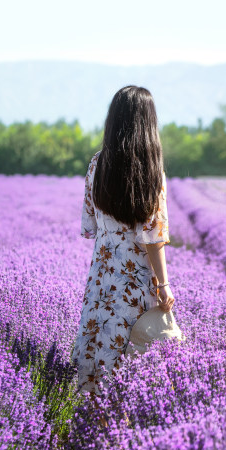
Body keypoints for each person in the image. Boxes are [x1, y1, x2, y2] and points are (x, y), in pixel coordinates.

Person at [71, 85, 175, 400]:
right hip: (137, 283)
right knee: (140, 360)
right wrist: (164, 285)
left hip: (101, 280)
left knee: (99, 354)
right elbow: (153, 235)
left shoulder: (96, 164)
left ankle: (96, 431)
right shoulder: (151, 170)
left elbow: (89, 223)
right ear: (148, 123)